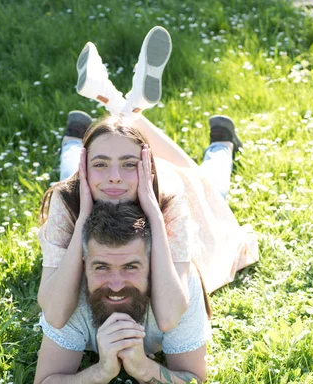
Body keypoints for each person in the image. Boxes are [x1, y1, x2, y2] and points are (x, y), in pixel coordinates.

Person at [37, 27, 258, 332]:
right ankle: (129, 111)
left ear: (146, 165)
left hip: (163, 189)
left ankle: (110, 107)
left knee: (209, 188)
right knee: (73, 179)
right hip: (90, 186)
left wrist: (154, 213)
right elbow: (55, 314)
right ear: (85, 168)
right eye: (99, 164)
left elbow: (169, 317)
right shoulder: (70, 197)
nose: (114, 178)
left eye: (129, 163)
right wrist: (83, 216)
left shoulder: (169, 198)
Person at [33, 202, 210, 384]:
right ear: (83, 264)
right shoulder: (69, 294)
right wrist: (100, 372)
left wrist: (144, 368)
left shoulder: (178, 289)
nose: (116, 284)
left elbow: (195, 382)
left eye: (130, 267)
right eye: (102, 267)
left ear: (153, 264)